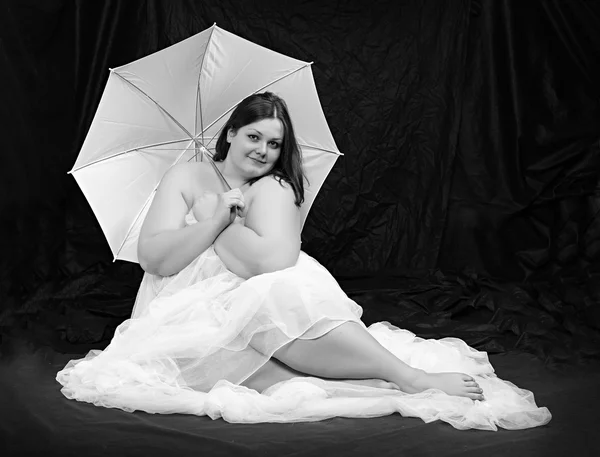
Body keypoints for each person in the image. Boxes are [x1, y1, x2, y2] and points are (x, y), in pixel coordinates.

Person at [57, 92, 551, 430]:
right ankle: (363, 381)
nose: (264, 151)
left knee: (286, 288)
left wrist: (226, 218)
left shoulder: (271, 188)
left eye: (274, 144)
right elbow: (156, 259)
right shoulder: (185, 176)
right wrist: (209, 222)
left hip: (252, 284)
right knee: (255, 378)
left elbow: (271, 260)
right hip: (181, 301)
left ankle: (408, 376)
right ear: (230, 134)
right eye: (254, 137)